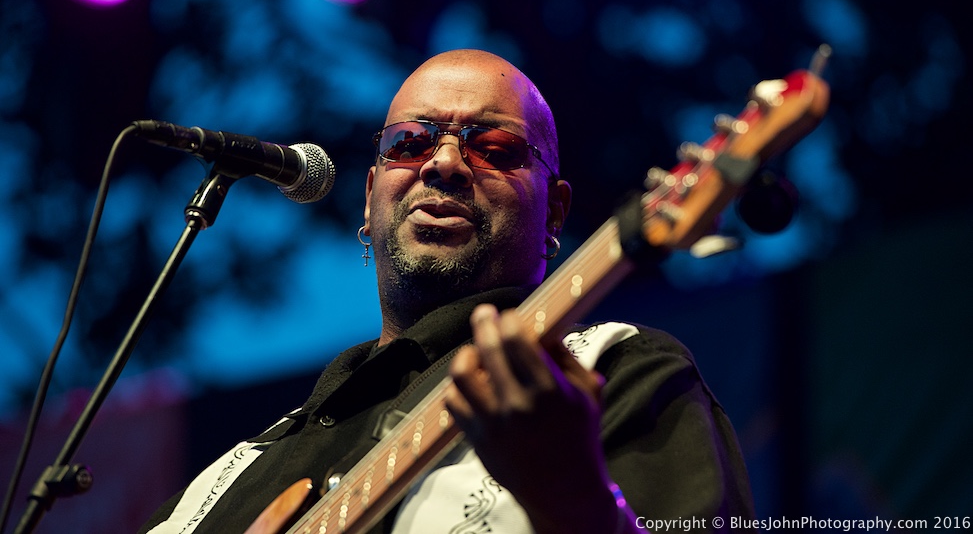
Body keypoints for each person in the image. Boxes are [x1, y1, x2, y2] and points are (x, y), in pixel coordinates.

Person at [139, 49, 755, 533]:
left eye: (494, 148)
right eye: (411, 143)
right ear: (370, 193)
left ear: (555, 213)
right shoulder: (216, 487)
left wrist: (573, 500)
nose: (444, 163)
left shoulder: (613, 371)